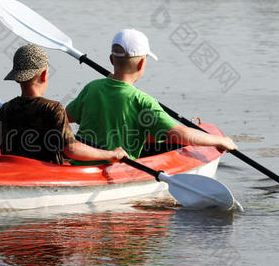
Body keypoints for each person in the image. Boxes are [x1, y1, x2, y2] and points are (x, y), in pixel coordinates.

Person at [66, 29, 237, 165]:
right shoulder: (143, 101)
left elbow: (66, 117)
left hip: (79, 164)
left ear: (111, 59)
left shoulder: (92, 88)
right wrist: (219, 140)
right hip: (117, 169)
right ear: (142, 63)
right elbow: (178, 134)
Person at [0, 44, 128, 164]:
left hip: (13, 173)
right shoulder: (53, 109)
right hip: (46, 175)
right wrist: (111, 155)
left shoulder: (7, 108)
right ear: (45, 74)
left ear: (17, 78)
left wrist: (9, 117)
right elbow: (71, 149)